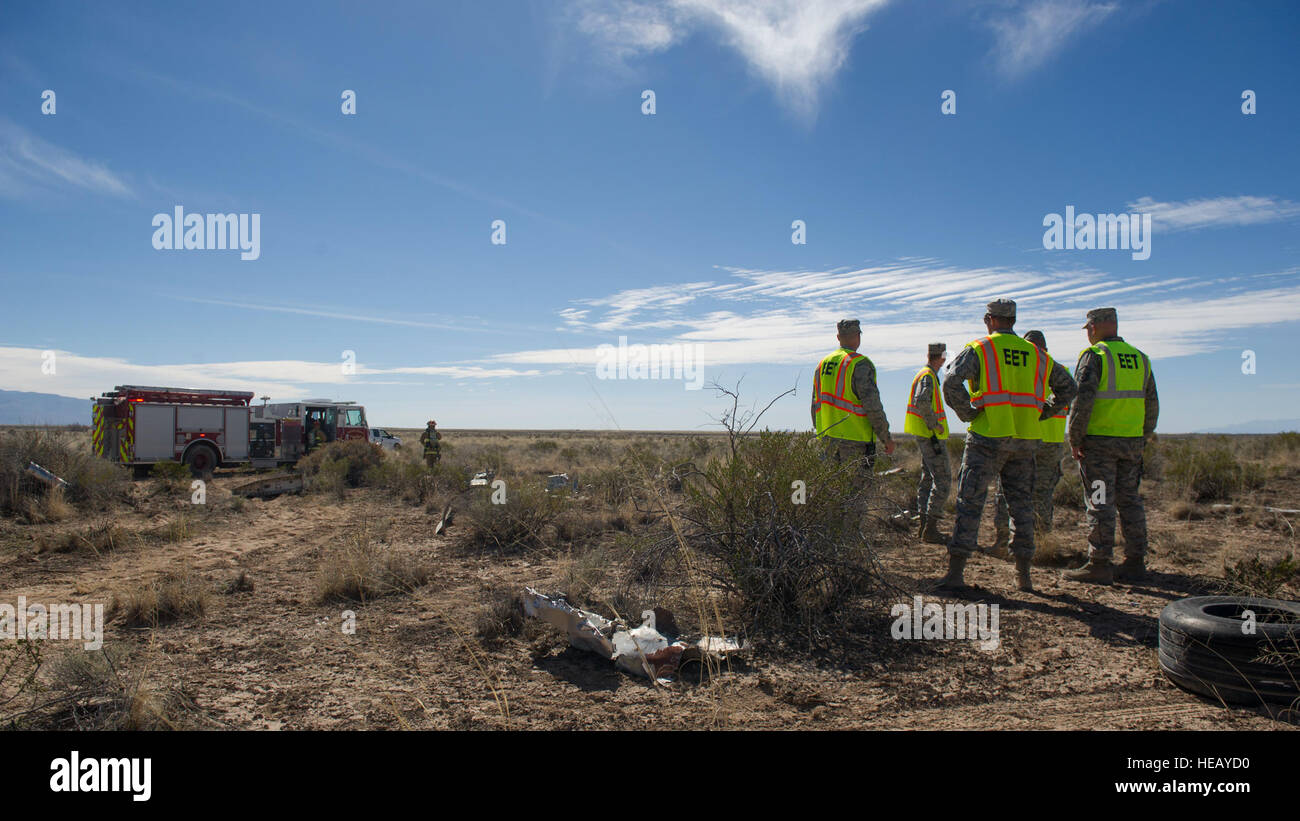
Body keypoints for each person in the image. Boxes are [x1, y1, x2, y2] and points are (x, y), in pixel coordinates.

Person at [936, 299, 1077, 593]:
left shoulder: (981, 348)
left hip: (988, 437)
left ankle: (956, 573)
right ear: (1013, 319)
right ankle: (1023, 576)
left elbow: (950, 380)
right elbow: (1069, 387)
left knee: (970, 502)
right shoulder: (1036, 354)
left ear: (989, 319)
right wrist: (1044, 411)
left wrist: (968, 413)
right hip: (1025, 439)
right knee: (1022, 505)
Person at [1062, 308, 1159, 584]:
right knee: (1130, 501)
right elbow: (1152, 403)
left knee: (1100, 501)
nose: (1089, 334)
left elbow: (1082, 401)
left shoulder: (1095, 356)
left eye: (1088, 328)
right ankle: (1135, 561)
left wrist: (1075, 438)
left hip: (1100, 443)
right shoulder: (1141, 358)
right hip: (1131, 443)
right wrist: (1143, 436)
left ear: (1094, 327)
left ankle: (1100, 563)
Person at [991, 329, 1068, 555]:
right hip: (1051, 442)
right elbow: (1069, 400)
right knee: (1042, 495)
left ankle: (1003, 543)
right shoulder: (1060, 371)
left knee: (1007, 492)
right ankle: (1041, 545)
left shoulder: (1023, 369)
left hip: (1023, 438)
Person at [811, 318, 894, 478]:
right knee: (856, 497)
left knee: (831, 494)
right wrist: (886, 438)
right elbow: (873, 406)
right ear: (858, 336)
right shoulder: (860, 364)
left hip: (827, 441)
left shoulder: (822, 365)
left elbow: (815, 405)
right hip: (855, 442)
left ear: (838, 337)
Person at [904, 342, 950, 544]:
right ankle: (930, 528)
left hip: (924, 435)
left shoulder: (924, 374)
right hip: (930, 436)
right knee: (943, 479)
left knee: (928, 478)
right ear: (942, 357)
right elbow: (921, 401)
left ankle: (924, 526)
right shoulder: (928, 376)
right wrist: (935, 425)